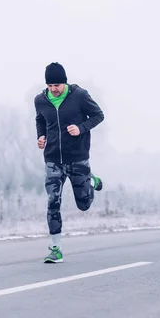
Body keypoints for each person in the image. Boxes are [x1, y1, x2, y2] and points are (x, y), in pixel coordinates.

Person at [34, 62, 105, 263]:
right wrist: (41, 136)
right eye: (50, 86)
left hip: (78, 158)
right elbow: (40, 119)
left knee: (84, 205)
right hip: (53, 159)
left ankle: (91, 181)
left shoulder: (80, 96)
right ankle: (55, 248)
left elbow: (99, 115)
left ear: (64, 83)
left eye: (57, 85)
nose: (54, 89)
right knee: (52, 201)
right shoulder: (40, 100)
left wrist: (81, 128)